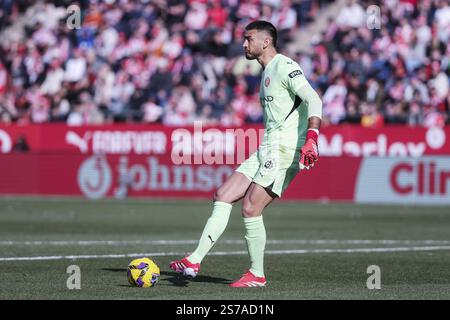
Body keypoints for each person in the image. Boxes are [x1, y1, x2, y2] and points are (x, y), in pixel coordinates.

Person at [169, 20, 322, 288]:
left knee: (251, 207)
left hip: (285, 149)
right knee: (223, 194)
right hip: (267, 146)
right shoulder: (264, 73)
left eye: (248, 38)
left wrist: (312, 140)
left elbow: (315, 99)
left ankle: (257, 274)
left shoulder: (285, 66)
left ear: (265, 42)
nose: (243, 43)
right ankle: (194, 260)